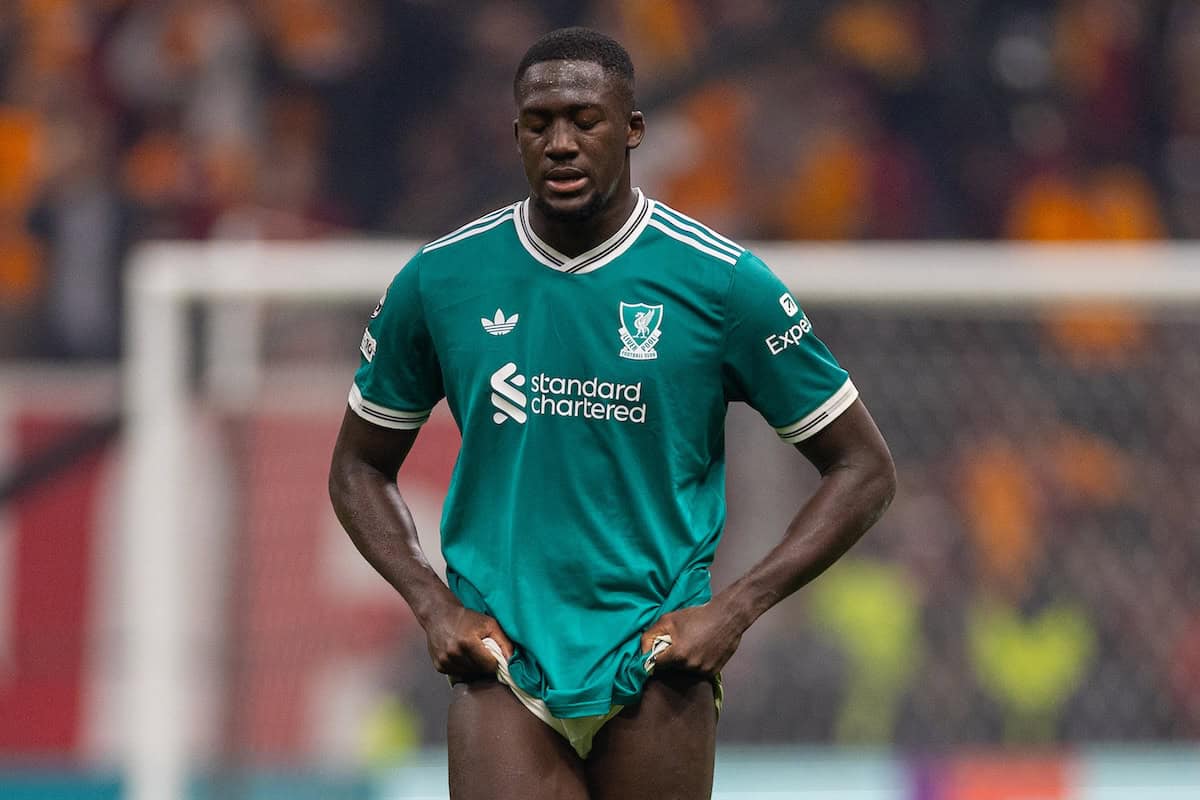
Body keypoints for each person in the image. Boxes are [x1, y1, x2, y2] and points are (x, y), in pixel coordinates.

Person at [328, 27, 896, 800]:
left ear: (632, 129)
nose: (561, 142)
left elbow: (863, 468)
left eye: (585, 120)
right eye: (540, 123)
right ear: (517, 134)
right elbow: (359, 464)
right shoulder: (442, 280)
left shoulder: (721, 283)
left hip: (655, 664)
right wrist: (433, 606)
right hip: (507, 662)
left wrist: (733, 610)